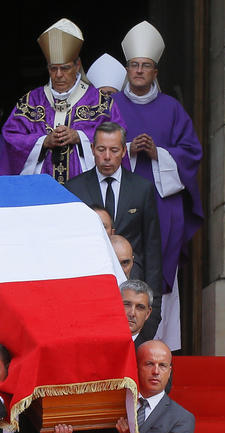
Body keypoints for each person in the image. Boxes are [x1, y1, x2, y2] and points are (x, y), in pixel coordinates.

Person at [114, 21, 203, 351]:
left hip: (162, 210)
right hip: (121, 208)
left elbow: (192, 153)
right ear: (127, 69)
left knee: (159, 274)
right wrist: (127, 152)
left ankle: (158, 353)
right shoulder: (111, 107)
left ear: (155, 71)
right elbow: (97, 152)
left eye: (145, 66)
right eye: (134, 65)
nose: (139, 71)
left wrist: (159, 153)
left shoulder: (172, 109)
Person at [1, 18, 121, 181]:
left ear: (77, 65)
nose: (58, 75)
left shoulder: (100, 102)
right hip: (41, 189)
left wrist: (80, 137)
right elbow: (10, 137)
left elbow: (118, 135)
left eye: (65, 68)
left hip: (85, 188)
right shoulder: (31, 101)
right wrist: (43, 142)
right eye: (53, 68)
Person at [66, 122, 163, 295]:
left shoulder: (142, 189)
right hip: (88, 285)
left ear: (124, 151)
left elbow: (152, 250)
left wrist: (153, 309)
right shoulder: (74, 189)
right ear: (92, 149)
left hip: (132, 288)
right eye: (101, 149)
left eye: (114, 150)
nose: (107, 156)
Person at [122, 279, 155, 346]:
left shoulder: (149, 352)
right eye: (127, 304)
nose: (132, 313)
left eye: (140, 307)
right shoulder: (99, 344)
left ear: (147, 313)